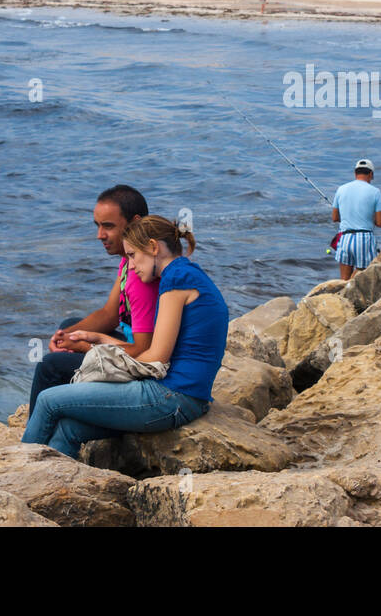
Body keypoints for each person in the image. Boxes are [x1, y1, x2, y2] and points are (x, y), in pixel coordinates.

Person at [22, 214, 228, 458]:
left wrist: (98, 358)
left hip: (171, 398)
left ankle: (18, 469)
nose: (131, 266)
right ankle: (45, 485)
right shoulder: (185, 272)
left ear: (153, 247)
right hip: (185, 398)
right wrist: (98, 340)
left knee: (49, 400)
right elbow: (155, 350)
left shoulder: (177, 279)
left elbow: (156, 357)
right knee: (68, 429)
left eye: (132, 255)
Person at [27, 184, 159, 415]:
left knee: (49, 366)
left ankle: (38, 431)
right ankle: (65, 404)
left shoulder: (142, 275)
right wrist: (65, 337)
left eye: (108, 226)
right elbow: (109, 315)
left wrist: (84, 346)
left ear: (135, 223)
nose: (100, 235)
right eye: (97, 226)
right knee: (69, 325)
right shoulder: (129, 262)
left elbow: (144, 350)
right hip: (129, 347)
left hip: (143, 362)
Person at [331, 158, 381, 281]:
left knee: (344, 280)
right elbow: (380, 223)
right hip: (364, 238)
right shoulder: (375, 192)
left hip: (345, 238)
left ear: (355, 173)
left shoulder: (341, 189)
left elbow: (334, 218)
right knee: (363, 276)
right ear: (371, 174)